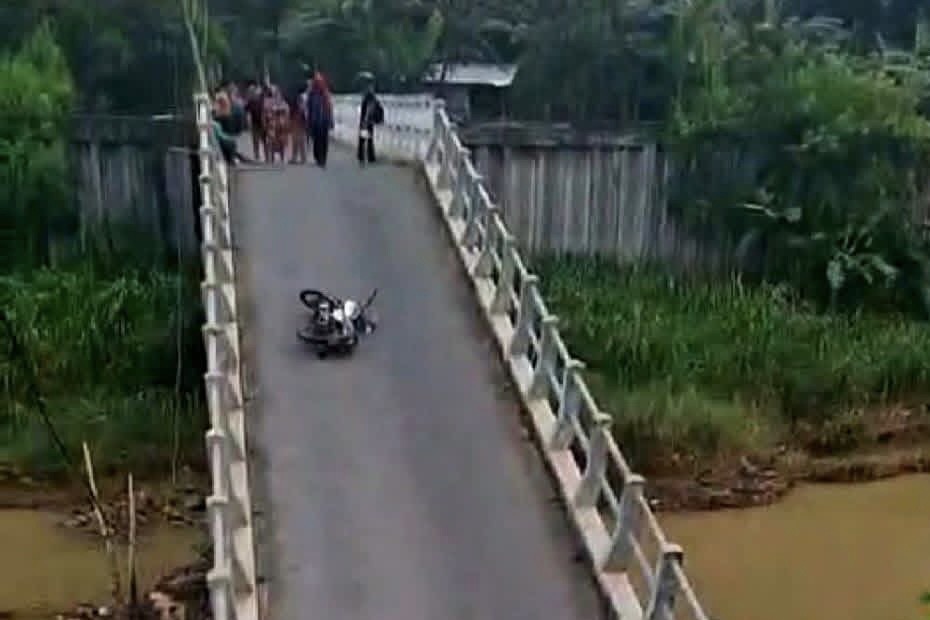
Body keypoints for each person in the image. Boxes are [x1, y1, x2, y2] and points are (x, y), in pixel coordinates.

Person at [306, 72, 334, 167]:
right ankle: (318, 157)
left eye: (319, 81)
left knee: (324, 141)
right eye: (317, 82)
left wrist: (331, 122)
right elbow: (309, 108)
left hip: (324, 121)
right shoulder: (312, 94)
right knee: (317, 141)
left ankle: (322, 159)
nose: (318, 83)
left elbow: (329, 108)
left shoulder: (326, 94)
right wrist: (308, 122)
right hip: (315, 121)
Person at [357, 83, 383, 164]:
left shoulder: (366, 99)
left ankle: (361, 156)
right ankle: (370, 157)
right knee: (369, 140)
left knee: (363, 140)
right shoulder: (373, 100)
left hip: (364, 122)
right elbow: (371, 110)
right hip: (368, 122)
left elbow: (363, 111)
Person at [245, 81, 266, 161]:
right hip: (255, 123)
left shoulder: (262, 100)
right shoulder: (250, 102)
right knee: (256, 140)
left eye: (253, 91)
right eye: (250, 91)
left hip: (263, 122)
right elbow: (246, 111)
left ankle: (267, 156)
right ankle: (257, 156)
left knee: (264, 140)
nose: (252, 93)